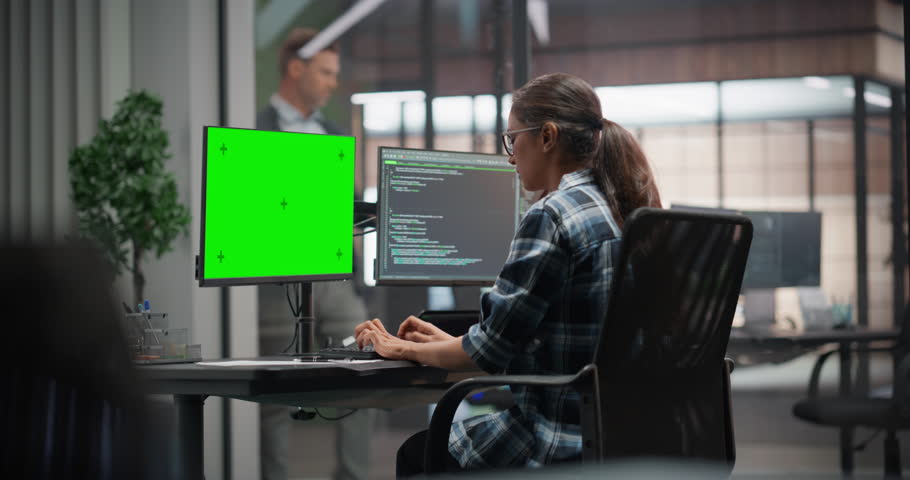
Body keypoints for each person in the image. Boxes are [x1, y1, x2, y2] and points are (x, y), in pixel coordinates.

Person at [353, 72, 662, 476]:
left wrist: (402, 349)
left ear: (547, 137)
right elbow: (538, 342)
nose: (511, 156)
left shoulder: (552, 215)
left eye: (513, 139)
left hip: (557, 436)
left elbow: (491, 352)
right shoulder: (619, 208)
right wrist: (457, 342)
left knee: (418, 453)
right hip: (625, 432)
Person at [256, 27, 373, 480]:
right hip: (276, 281)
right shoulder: (253, 129)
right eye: (325, 72)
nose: (331, 82)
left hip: (335, 277)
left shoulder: (335, 134)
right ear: (295, 68)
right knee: (274, 394)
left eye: (335, 73)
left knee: (363, 376)